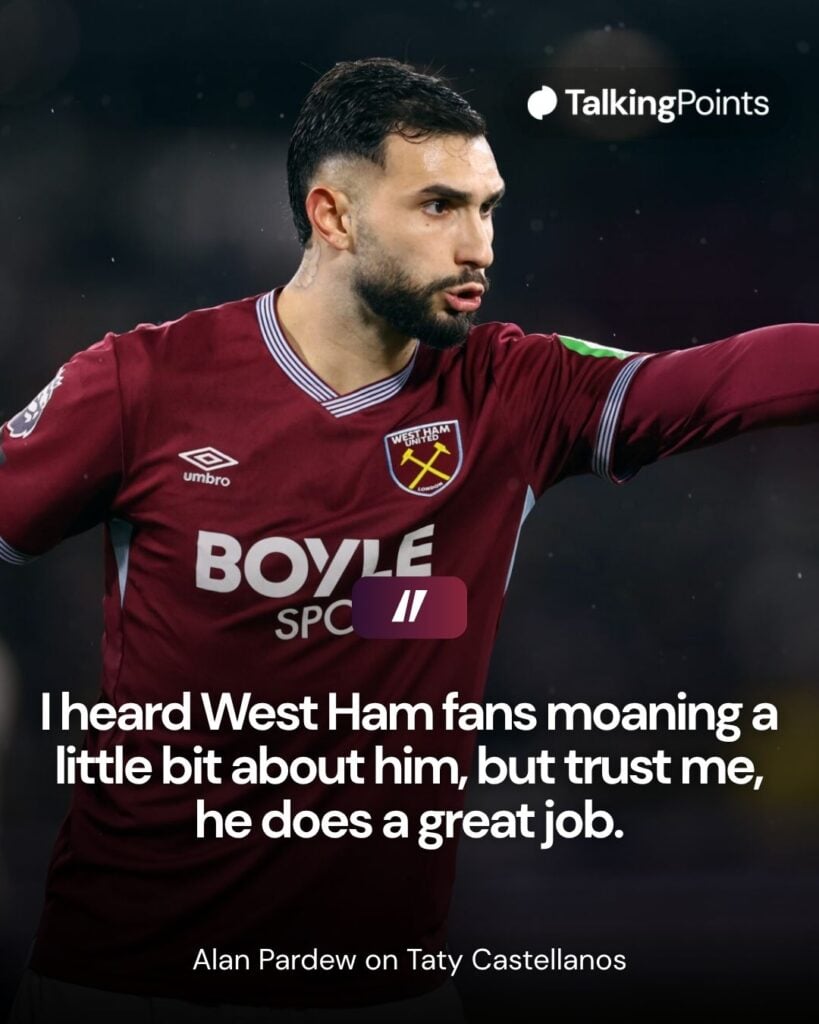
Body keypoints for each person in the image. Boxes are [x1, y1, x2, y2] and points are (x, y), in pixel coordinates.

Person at [2, 56, 817, 1024]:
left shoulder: (515, 389)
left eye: (487, 208)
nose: (478, 245)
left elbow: (723, 380)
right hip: (124, 979)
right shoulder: (143, 380)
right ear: (333, 215)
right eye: (438, 207)